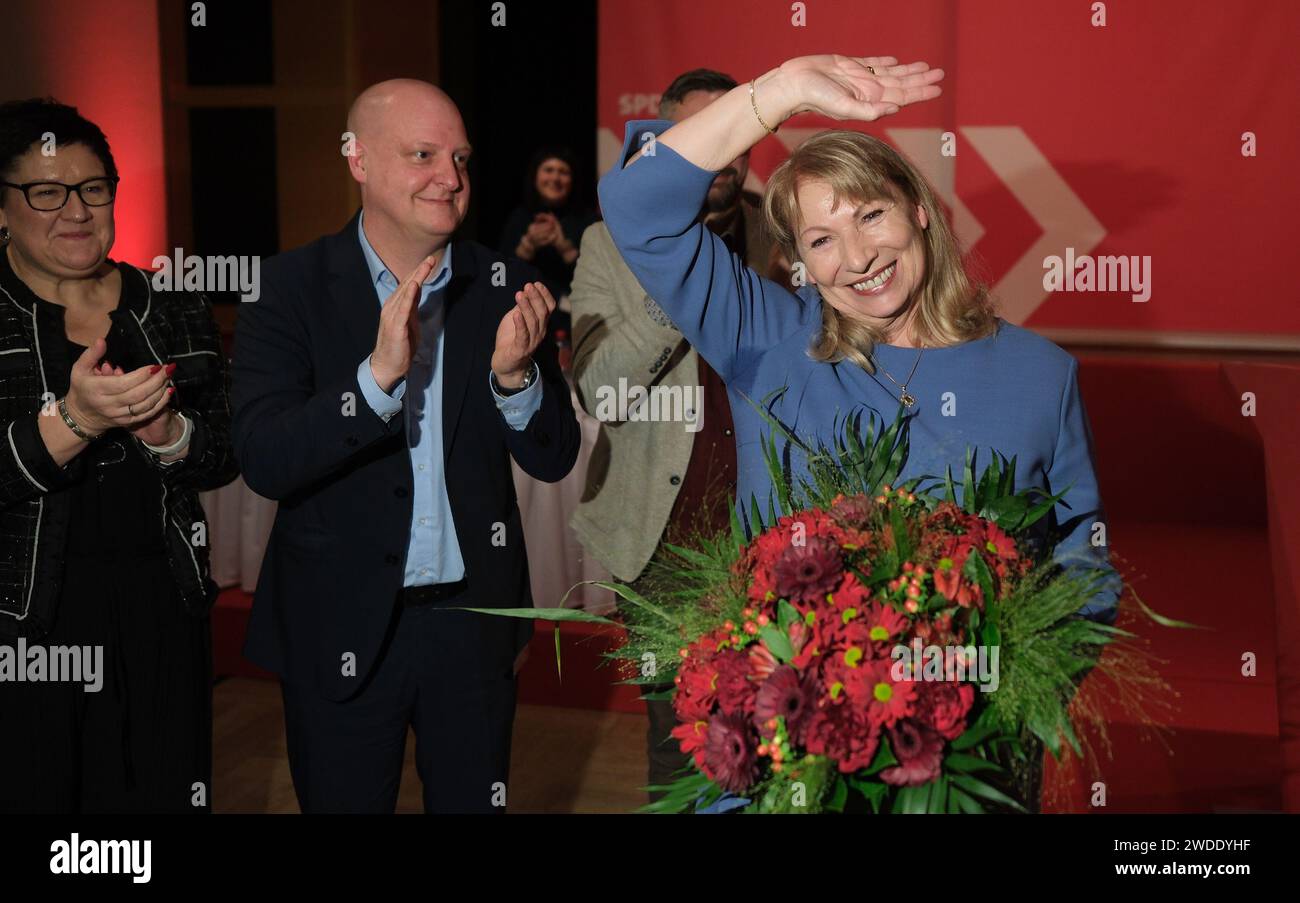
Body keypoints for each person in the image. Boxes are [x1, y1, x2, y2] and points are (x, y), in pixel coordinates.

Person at [598, 54, 1122, 810]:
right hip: (787, 766)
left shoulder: (1042, 374)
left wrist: (987, 690)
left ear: (918, 210)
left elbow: (1086, 565)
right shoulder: (769, 339)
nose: (857, 258)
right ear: (797, 260)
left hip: (965, 767)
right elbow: (638, 205)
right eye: (821, 238)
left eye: (870, 215)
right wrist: (780, 92)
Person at [231, 79, 580, 814]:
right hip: (338, 627)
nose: (450, 178)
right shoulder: (289, 286)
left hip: (472, 629)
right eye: (423, 154)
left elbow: (553, 456)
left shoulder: (505, 282)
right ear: (356, 160)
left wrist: (515, 379)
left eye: (459, 157)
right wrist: (377, 378)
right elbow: (265, 458)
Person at [0, 99, 236, 813]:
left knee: (161, 795)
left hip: (162, 604)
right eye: (47, 191)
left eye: (93, 188)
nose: (75, 209)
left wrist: (166, 432)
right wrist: (73, 420)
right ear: (4, 208)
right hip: (28, 619)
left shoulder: (170, 303)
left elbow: (224, 453)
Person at [569, 68, 786, 803]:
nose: (721, 159)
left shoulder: (782, 232)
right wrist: (677, 281)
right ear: (663, 143)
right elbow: (600, 389)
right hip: (664, 543)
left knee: (780, 738)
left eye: (737, 138)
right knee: (681, 743)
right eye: (703, 139)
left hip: (777, 538)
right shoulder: (608, 242)